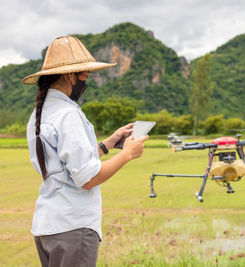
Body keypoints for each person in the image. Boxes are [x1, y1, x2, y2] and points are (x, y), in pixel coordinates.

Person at [22, 36, 148, 267]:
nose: (86, 83)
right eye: (85, 76)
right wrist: (127, 154)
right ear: (70, 75)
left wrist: (108, 144)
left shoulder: (40, 114)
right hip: (73, 227)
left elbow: (67, 164)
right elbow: (87, 178)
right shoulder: (68, 114)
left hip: (48, 227)